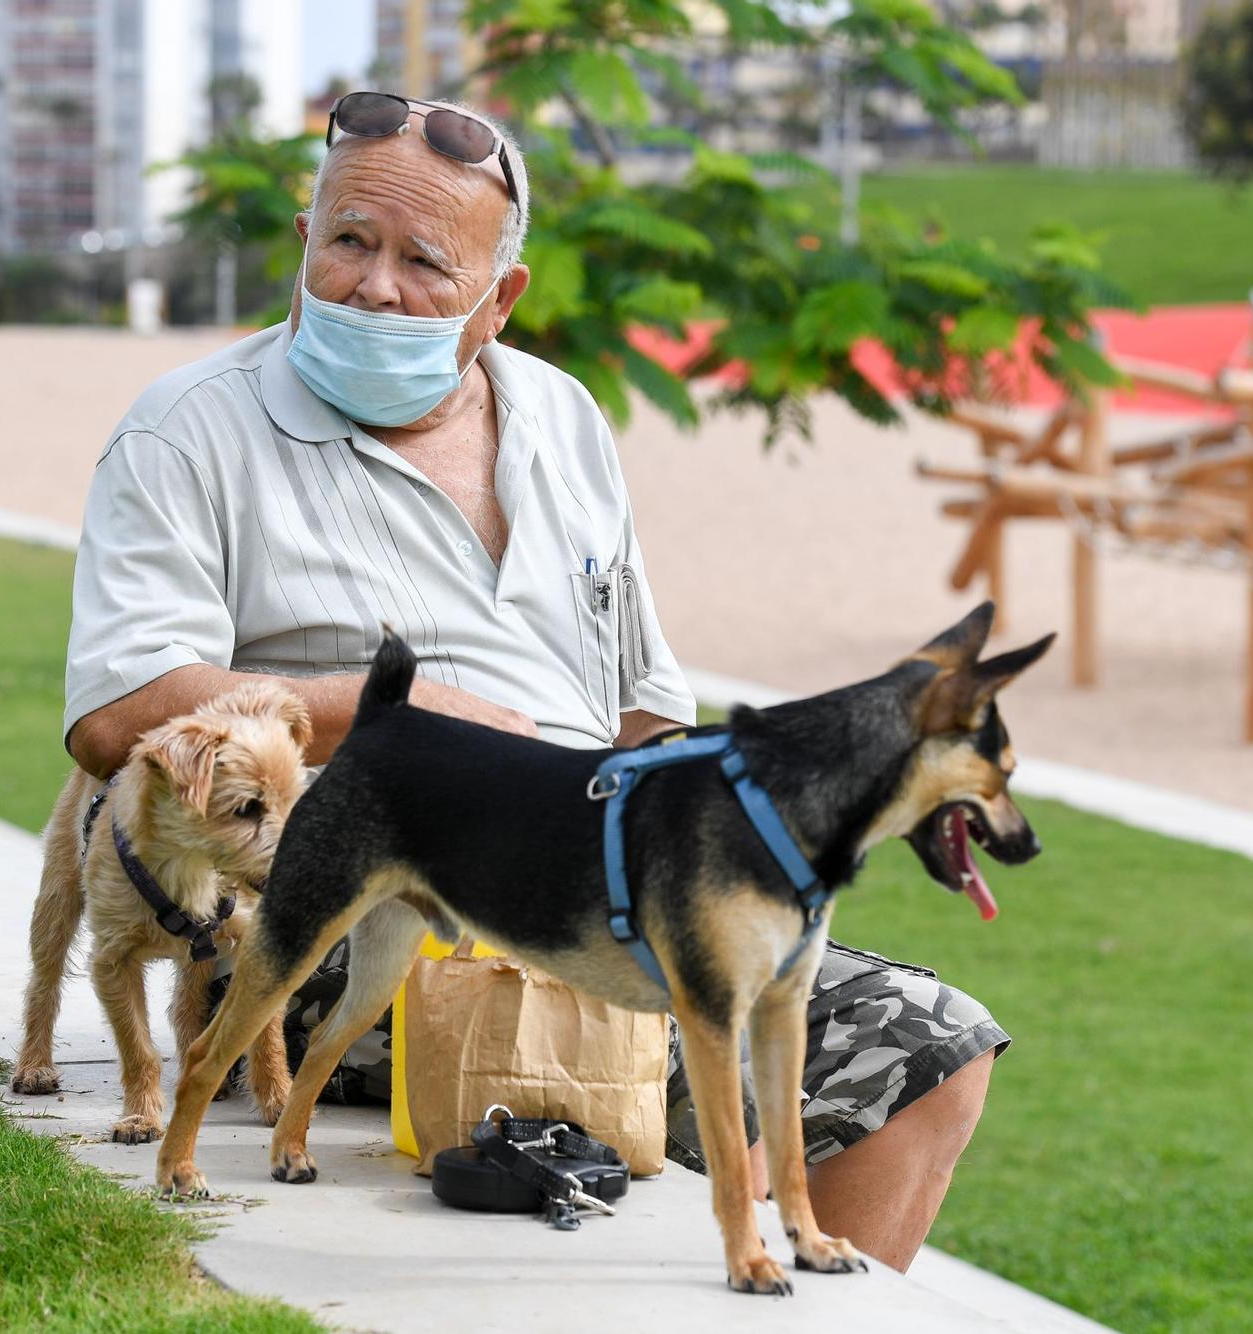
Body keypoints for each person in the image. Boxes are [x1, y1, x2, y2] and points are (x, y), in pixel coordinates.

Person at [62, 91, 1006, 1271]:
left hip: (591, 883)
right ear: (301, 237)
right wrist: (399, 714)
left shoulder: (560, 415)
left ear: (499, 298)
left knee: (931, 1044)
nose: (371, 286)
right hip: (345, 905)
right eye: (347, 239)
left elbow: (646, 705)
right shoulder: (187, 431)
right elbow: (116, 714)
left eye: (422, 260)